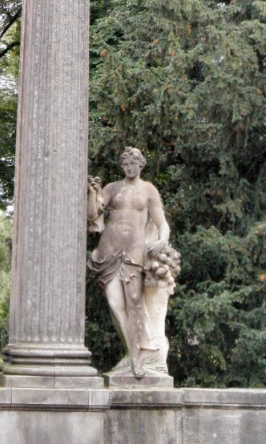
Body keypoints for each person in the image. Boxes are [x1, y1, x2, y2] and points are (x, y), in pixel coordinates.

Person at [87, 147, 180, 379]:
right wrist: (92, 193)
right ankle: (132, 351)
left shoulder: (148, 189)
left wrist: (162, 241)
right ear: (122, 166)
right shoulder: (112, 188)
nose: (129, 167)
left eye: (133, 163)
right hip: (109, 249)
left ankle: (138, 358)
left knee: (135, 302)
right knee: (115, 303)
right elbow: (92, 215)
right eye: (126, 164)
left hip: (134, 251)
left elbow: (162, 223)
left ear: (141, 165)